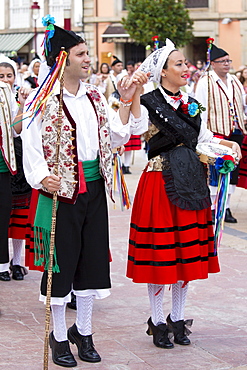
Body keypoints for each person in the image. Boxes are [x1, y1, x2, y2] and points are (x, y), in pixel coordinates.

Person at [21, 17, 149, 368]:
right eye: (82, 54)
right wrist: (41, 176)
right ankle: (59, 336)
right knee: (60, 268)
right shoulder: (41, 98)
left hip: (93, 189)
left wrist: (128, 99)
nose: (89, 59)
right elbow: (29, 144)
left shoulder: (94, 95)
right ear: (63, 59)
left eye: (88, 53)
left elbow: (119, 137)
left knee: (92, 263)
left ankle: (85, 331)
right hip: (60, 194)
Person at [126, 39, 241, 350]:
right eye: (178, 64)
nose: (186, 68)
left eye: (185, 63)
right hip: (160, 183)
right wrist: (133, 94)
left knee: (185, 255)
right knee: (161, 258)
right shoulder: (148, 100)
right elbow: (135, 131)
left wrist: (225, 146)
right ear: (163, 72)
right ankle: (158, 320)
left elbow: (202, 139)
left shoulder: (192, 101)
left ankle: (178, 318)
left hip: (190, 179)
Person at [195, 43, 247, 223]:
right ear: (213, 63)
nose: (227, 64)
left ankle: (226, 207)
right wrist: (202, 134)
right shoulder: (205, 82)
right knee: (215, 171)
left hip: (236, 132)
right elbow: (200, 109)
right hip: (216, 133)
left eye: (228, 61)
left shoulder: (234, 81)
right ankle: (212, 207)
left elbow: (242, 104)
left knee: (232, 172)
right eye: (222, 61)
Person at [0, 60, 31, 280]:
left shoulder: (23, 97)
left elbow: (18, 130)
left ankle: (18, 261)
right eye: (1, 76)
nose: (6, 80)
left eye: (9, 76)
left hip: (19, 161)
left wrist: (22, 103)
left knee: (20, 214)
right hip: (5, 162)